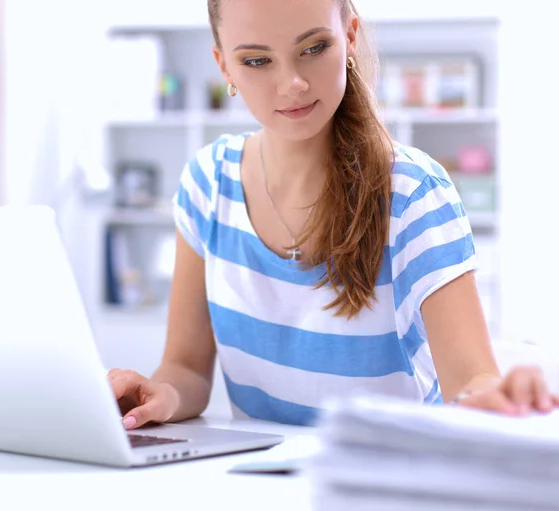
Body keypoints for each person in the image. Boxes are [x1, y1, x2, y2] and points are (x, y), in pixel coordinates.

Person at [109, 0, 557, 428]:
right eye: (257, 61)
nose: (292, 84)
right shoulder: (208, 184)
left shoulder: (413, 194)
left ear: (350, 36)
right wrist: (162, 395)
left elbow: (471, 382)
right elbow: (185, 367)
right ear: (224, 64)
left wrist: (498, 399)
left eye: (313, 48)